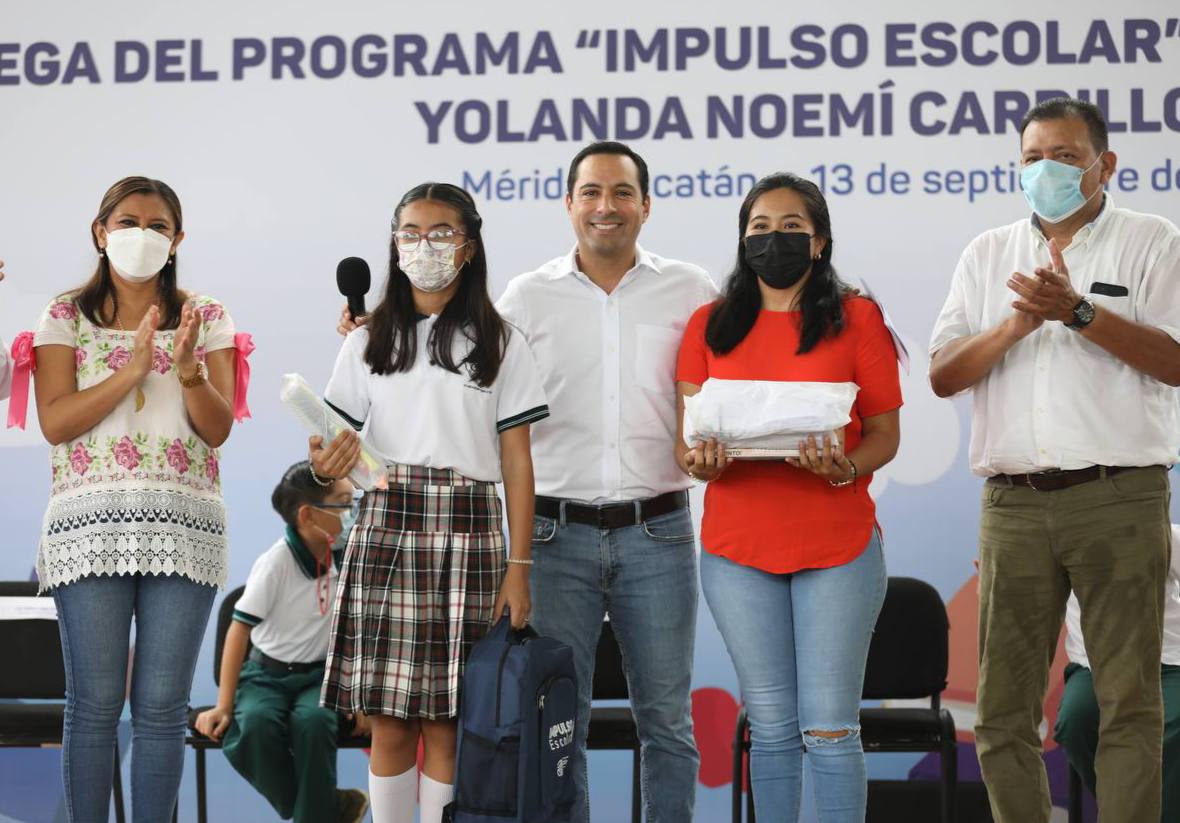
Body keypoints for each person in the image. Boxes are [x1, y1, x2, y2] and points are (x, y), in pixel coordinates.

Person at [336, 143, 717, 823]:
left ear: (646, 204)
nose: (607, 205)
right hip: (552, 532)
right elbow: (422, 396)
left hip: (656, 529)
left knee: (665, 721)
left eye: (622, 192)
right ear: (568, 203)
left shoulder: (692, 289)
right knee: (552, 719)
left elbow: (740, 357)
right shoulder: (523, 299)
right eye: (591, 192)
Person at [928, 97, 1180, 823]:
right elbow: (944, 373)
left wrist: (1080, 313)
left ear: (1107, 165)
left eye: (1066, 157)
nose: (1048, 171)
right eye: (1034, 157)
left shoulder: (1152, 242)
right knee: (1002, 711)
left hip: (1120, 496)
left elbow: (1174, 359)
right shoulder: (987, 253)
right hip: (1013, 502)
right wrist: (1017, 324)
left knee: (1127, 704)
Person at [312, 182, 547, 823]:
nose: (425, 245)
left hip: (472, 527)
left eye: (441, 232)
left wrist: (519, 567)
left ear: (469, 247)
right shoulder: (364, 342)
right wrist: (324, 463)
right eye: (410, 232)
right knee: (388, 719)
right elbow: (335, 453)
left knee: (449, 721)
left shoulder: (501, 341)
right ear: (393, 246)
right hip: (387, 523)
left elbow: (519, 462)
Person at [676, 172, 901, 822]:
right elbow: (685, 444)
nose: (775, 241)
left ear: (821, 241)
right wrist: (702, 462)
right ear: (744, 242)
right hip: (737, 551)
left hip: (838, 546)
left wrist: (844, 467)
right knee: (771, 725)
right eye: (760, 230)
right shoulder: (708, 323)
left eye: (792, 229)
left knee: (831, 728)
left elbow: (884, 435)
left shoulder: (857, 317)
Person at [32, 176, 242, 822]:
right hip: (87, 530)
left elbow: (217, 427)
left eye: (157, 225)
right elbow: (57, 421)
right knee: (93, 704)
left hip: (183, 529)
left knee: (159, 707)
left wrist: (187, 373)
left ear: (177, 240)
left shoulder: (206, 316)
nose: (141, 236)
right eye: (127, 222)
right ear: (100, 232)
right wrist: (131, 370)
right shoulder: (63, 315)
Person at [193, 461, 370, 823]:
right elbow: (238, 630)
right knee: (253, 725)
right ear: (308, 516)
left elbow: (360, 632)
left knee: (316, 722)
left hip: (320, 678)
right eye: (343, 503)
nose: (353, 514)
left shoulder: (350, 559)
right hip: (265, 675)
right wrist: (224, 705)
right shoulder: (276, 563)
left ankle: (315, 810)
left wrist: (360, 698)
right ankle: (327, 807)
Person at [1053, 523, 1180, 822]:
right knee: (1076, 720)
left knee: (1172, 729)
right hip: (1094, 667)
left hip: (1168, 663)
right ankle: (1125, 810)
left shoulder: (1166, 535)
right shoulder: (1060, 538)